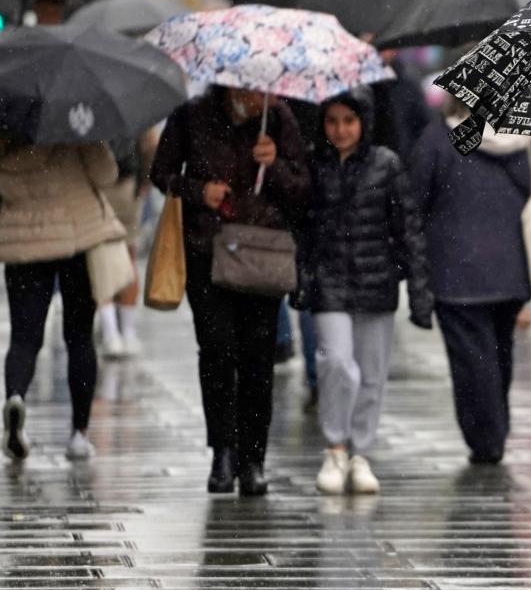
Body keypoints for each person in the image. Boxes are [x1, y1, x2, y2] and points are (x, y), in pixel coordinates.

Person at [149, 86, 309, 496]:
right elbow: (161, 173)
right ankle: (222, 451)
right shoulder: (191, 114)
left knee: (258, 357)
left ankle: (253, 459)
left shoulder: (279, 117)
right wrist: (198, 191)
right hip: (208, 251)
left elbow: (302, 186)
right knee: (217, 351)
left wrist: (273, 165)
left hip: (262, 252)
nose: (254, 93)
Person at [412, 96, 531, 465]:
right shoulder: (523, 135)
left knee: (471, 362)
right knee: (499, 354)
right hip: (511, 270)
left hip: (454, 271)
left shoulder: (438, 138)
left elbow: (414, 199)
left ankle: (487, 438)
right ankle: (494, 429)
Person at [296, 88, 433, 495]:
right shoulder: (313, 166)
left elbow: (408, 228)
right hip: (330, 280)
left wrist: (421, 292)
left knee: (372, 374)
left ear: (364, 123)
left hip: (377, 281)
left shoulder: (386, 165)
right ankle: (335, 446)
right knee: (337, 363)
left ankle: (360, 452)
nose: (340, 130)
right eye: (332, 121)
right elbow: (300, 224)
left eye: (348, 121)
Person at [0, 136, 124, 461]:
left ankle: (16, 397)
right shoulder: (76, 121)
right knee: (80, 336)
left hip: (22, 240)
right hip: (77, 237)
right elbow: (105, 174)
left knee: (24, 339)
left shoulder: (7, 118)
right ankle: (79, 435)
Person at [97, 130, 158, 359]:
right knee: (128, 256)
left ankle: (111, 334)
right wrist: (145, 182)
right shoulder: (134, 101)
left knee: (100, 261)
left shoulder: (86, 99)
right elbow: (151, 146)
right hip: (127, 187)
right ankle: (129, 332)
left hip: (98, 189)